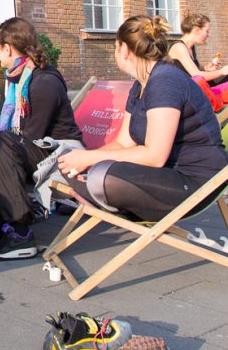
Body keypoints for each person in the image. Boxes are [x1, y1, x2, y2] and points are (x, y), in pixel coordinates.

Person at [58, 15, 228, 220]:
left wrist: (90, 159)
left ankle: (101, 196)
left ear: (124, 49)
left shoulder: (165, 81)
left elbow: (154, 156)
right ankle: (100, 195)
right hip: (164, 175)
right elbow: (123, 142)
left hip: (196, 180)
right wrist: (84, 161)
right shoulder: (141, 84)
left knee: (102, 176)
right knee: (74, 170)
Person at [0, 17, 82, 259]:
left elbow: (30, 135)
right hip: (28, 146)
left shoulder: (44, 81)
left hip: (57, 153)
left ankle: (20, 232)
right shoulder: (14, 78)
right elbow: (0, 122)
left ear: (7, 48)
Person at [168, 11, 225, 84]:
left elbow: (195, 68)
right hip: (180, 91)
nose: (208, 35)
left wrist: (207, 68)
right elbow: (197, 75)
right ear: (197, 30)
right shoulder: (179, 47)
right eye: (207, 31)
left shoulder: (191, 47)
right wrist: (222, 71)